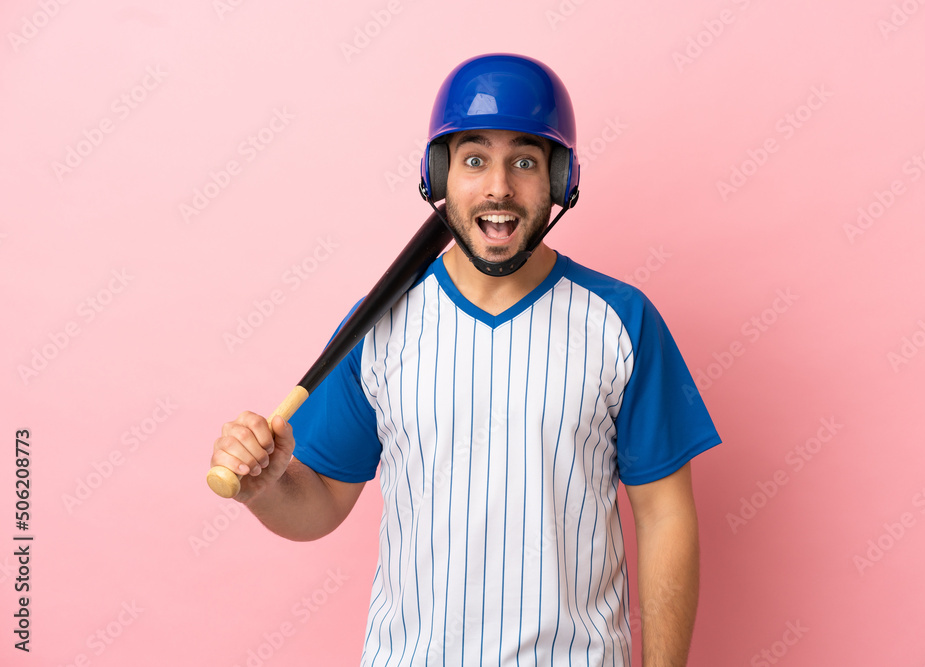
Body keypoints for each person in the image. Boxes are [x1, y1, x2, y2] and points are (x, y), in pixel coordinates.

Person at [210, 53, 721, 666]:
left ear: (559, 179)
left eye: (525, 161)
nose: (499, 186)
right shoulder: (375, 326)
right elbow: (318, 506)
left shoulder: (622, 320)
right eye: (474, 159)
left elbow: (665, 515)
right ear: (439, 176)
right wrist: (266, 490)